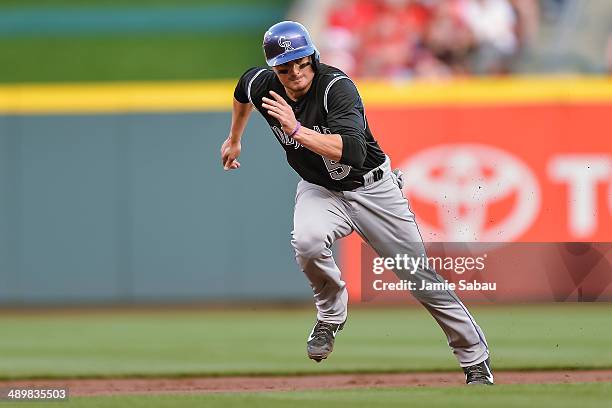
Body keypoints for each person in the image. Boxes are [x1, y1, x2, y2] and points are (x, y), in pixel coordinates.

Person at [220, 20, 494, 385]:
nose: (297, 74)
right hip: (321, 189)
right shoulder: (265, 86)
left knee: (420, 278)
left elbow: (351, 150)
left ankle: (475, 360)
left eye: (303, 62)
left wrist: (296, 130)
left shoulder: (336, 87)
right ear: (275, 69)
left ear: (312, 58)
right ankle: (331, 317)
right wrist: (234, 138)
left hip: (374, 190)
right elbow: (242, 89)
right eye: (286, 68)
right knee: (307, 241)